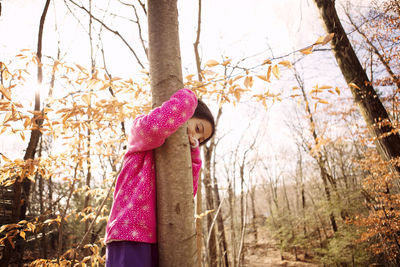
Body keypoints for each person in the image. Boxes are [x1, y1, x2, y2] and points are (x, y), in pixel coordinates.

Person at [105, 88, 215, 267]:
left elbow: (187, 193)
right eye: (197, 128)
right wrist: (187, 98)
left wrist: (194, 157)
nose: (195, 139)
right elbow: (155, 128)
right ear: (188, 112)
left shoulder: (177, 159)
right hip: (128, 230)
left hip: (159, 239)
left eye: (200, 140)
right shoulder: (140, 129)